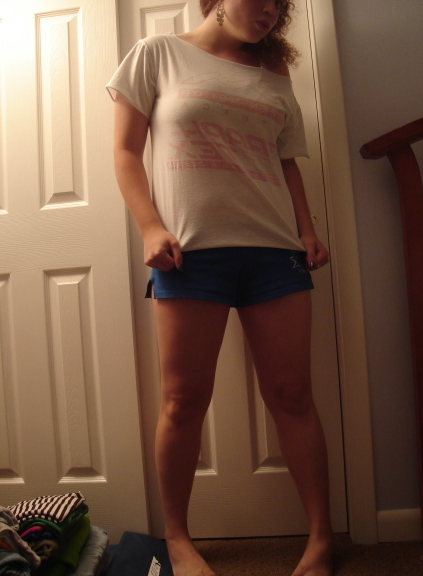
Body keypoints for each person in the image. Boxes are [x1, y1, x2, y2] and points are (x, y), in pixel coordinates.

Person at [107, 0, 332, 574]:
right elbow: (126, 151)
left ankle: (321, 538)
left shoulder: (274, 72)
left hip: (275, 252)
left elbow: (285, 162)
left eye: (279, 3)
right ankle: (178, 539)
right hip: (189, 255)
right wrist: (149, 227)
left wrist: (307, 230)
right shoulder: (157, 54)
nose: (270, 9)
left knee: (293, 396)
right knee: (183, 401)